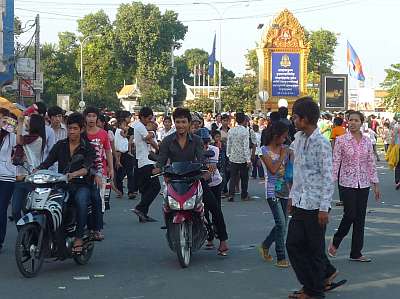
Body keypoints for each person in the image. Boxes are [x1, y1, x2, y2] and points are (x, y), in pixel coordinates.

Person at [155, 107, 229, 255]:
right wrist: (157, 168)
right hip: (174, 181)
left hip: (194, 179)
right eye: (178, 122)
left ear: (189, 123)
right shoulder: (167, 141)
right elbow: (161, 159)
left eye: (183, 122)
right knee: (167, 206)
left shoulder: (197, 140)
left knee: (214, 206)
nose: (180, 125)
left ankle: (223, 240)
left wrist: (205, 167)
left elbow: (201, 158)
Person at [286, 97, 338, 299]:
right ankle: (312, 283)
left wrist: (324, 208)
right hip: (300, 202)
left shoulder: (322, 143)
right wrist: (292, 197)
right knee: (293, 244)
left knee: (314, 250)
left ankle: (314, 291)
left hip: (316, 205)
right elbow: (298, 172)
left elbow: (328, 177)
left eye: (296, 117)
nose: (293, 120)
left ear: (305, 119)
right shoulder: (298, 139)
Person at [37, 112, 96, 254]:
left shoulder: (88, 147)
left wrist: (73, 174)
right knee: (51, 203)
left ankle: (79, 237)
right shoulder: (60, 145)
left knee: (81, 201)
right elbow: (48, 162)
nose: (71, 131)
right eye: (69, 128)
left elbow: (86, 168)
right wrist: (37, 170)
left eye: (75, 128)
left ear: (81, 129)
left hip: (82, 184)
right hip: (62, 184)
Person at [329, 111, 381, 262]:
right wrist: (330, 182)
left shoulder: (366, 142)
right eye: (350, 120)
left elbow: (371, 163)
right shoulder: (341, 140)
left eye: (356, 120)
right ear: (347, 122)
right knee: (350, 214)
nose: (352, 123)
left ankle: (356, 252)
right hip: (346, 182)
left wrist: (375, 184)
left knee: (360, 218)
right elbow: (336, 162)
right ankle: (336, 240)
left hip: (363, 183)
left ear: (361, 123)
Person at [259, 121, 290, 268]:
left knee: (283, 224)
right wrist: (282, 156)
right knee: (281, 224)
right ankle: (281, 256)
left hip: (285, 190)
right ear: (276, 136)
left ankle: (265, 245)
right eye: (283, 137)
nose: (285, 140)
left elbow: (291, 170)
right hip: (272, 191)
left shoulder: (286, 149)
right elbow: (272, 169)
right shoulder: (263, 151)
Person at [84, 107, 114, 241]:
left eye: (93, 116)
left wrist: (111, 168)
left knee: (99, 200)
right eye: (88, 116)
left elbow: (108, 151)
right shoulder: (81, 133)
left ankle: (97, 228)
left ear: (97, 118)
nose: (91, 119)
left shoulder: (103, 134)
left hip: (100, 171)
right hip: (83, 172)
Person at [12, 114, 47, 223]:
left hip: (31, 179)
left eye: (29, 121)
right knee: (15, 210)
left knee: (27, 211)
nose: (27, 122)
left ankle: (29, 236)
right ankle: (23, 236)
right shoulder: (29, 137)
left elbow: (19, 141)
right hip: (20, 178)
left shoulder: (38, 139)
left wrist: (20, 122)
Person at [131, 107, 161, 223]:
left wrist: (157, 148)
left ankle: (143, 214)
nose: (150, 120)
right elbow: (148, 137)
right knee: (155, 187)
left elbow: (150, 141)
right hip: (145, 161)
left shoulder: (141, 126)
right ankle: (139, 208)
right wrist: (152, 131)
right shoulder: (139, 126)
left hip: (144, 160)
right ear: (142, 117)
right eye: (149, 118)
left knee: (145, 189)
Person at [197, 128, 223, 249]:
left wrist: (200, 178)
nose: (205, 146)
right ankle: (210, 237)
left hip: (214, 183)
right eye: (202, 143)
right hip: (199, 184)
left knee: (216, 210)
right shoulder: (194, 150)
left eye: (207, 143)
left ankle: (221, 236)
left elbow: (211, 171)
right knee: (203, 211)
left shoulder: (214, 150)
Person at [0, 109, 17, 253]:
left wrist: (13, 124)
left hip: (7, 176)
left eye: (3, 119)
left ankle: (0, 240)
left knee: (1, 209)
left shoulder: (11, 136)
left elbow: (20, 141)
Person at [226, 112, 251, 202]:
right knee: (244, 177)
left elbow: (229, 143)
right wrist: (248, 159)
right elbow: (246, 146)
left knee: (233, 177)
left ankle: (231, 195)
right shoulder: (245, 131)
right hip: (243, 158)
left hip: (233, 157)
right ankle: (244, 195)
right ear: (244, 120)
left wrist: (228, 154)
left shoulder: (231, 130)